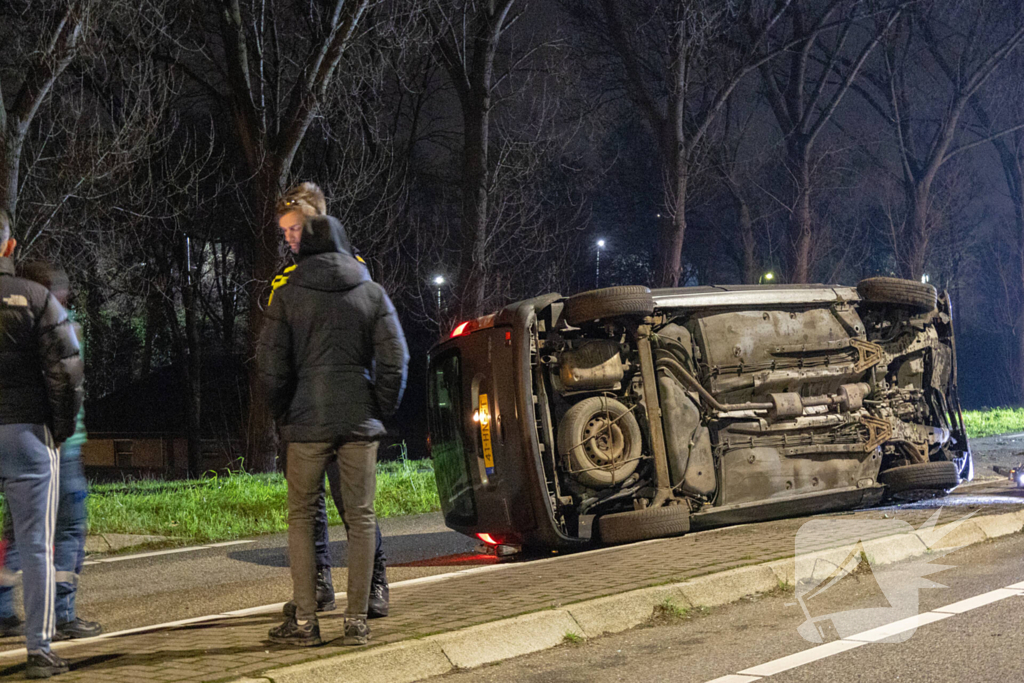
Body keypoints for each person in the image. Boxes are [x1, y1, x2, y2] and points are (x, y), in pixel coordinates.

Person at [259, 194, 408, 647]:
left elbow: (270, 365)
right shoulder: (370, 291)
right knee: (361, 517)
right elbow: (396, 360)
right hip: (358, 421)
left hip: (307, 421)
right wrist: (378, 407)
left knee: (302, 517)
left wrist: (286, 410)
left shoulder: (286, 294)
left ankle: (306, 622)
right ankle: (357, 621)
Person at [0, 209, 84, 678]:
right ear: (10, 247)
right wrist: (60, 428)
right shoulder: (36, 298)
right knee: (36, 544)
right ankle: (39, 649)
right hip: (28, 434)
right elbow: (66, 371)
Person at [0, 262, 102, 644]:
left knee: (14, 532)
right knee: (64, 532)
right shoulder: (54, 317)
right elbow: (67, 378)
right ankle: (58, 618)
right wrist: (60, 434)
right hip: (52, 443)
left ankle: (2, 608)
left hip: (14, 436)